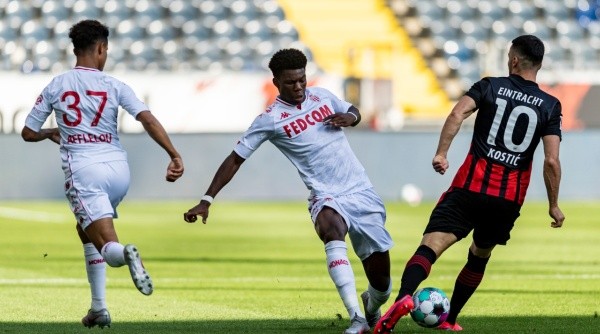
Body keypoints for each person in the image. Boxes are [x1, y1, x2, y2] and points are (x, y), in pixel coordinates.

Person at [184, 48, 393, 334]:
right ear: (276, 83)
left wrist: (351, 119)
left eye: (302, 80)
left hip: (360, 190)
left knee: (382, 284)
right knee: (331, 228)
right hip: (325, 195)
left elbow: (352, 110)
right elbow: (235, 158)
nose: (298, 87)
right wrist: (206, 200)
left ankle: (371, 304)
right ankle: (356, 318)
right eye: (290, 82)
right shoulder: (270, 119)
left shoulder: (323, 96)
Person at [374, 34, 565, 333]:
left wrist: (441, 153)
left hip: (469, 188)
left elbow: (457, 113)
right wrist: (553, 205)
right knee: (479, 254)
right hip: (507, 200)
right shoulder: (550, 105)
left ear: (514, 60)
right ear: (539, 64)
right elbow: (551, 160)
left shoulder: (490, 85)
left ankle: (403, 299)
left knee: (431, 247)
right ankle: (450, 320)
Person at [21, 20, 184, 329]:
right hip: (119, 170)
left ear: (75, 49)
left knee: (108, 248)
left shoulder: (57, 85)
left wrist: (50, 132)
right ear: (100, 48)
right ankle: (99, 307)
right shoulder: (115, 85)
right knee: (85, 230)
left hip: (84, 172)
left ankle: (126, 253)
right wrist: (173, 154)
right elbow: (147, 118)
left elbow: (28, 132)